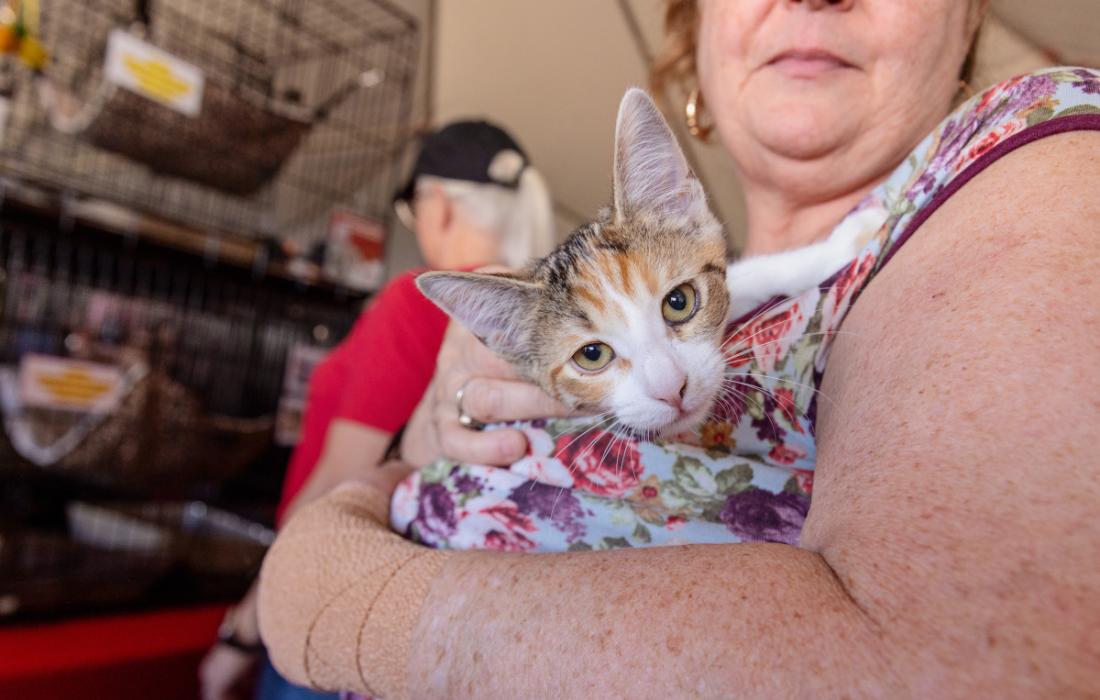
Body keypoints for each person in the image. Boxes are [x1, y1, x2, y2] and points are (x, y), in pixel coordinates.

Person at [258, 1, 1100, 697]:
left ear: (968, 17)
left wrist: (336, 597)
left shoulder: (1039, 161)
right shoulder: (683, 276)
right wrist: (426, 436)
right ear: (694, 28)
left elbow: (940, 668)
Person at [198, 121, 555, 700]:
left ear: (437, 205)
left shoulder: (415, 301)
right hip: (440, 617)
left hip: (340, 598)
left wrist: (244, 627)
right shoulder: (545, 316)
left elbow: (338, 486)